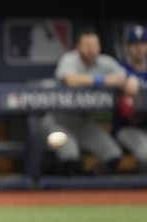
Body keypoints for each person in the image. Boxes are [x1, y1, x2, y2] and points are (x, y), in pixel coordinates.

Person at [40, 28, 138, 175]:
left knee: (114, 156)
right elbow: (70, 79)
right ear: (78, 47)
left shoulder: (105, 62)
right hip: (60, 122)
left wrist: (131, 80)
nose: (92, 49)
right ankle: (62, 192)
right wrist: (103, 80)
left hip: (85, 123)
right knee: (70, 158)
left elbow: (123, 75)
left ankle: (90, 184)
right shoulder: (69, 59)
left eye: (95, 45)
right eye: (87, 45)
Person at [112, 25, 147, 172]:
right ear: (127, 46)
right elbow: (126, 112)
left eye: (143, 43)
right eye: (134, 44)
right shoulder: (119, 69)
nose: (139, 48)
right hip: (128, 127)